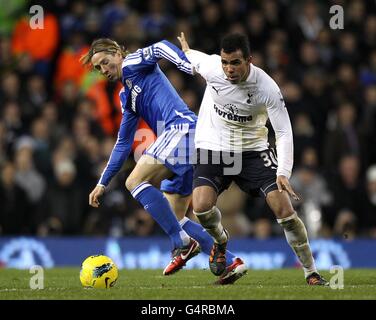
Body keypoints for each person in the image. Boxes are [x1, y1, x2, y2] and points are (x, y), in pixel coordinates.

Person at [80, 38, 246, 284]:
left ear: (117, 53)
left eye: (105, 62)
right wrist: (102, 183)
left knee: (134, 180)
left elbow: (159, 47)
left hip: (181, 129)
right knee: (174, 214)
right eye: (98, 68)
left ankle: (181, 243)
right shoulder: (127, 95)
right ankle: (231, 261)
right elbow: (123, 144)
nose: (104, 70)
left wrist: (185, 63)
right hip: (187, 138)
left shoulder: (132, 63)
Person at [173, 32, 328, 285]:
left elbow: (283, 132)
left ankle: (311, 271)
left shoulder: (267, 88)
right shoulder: (212, 68)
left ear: (249, 60)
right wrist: (186, 50)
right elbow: (193, 58)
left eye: (235, 63)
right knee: (200, 206)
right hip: (214, 146)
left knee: (284, 209)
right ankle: (221, 242)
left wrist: (283, 172)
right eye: (225, 62)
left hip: (253, 150)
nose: (228, 69)